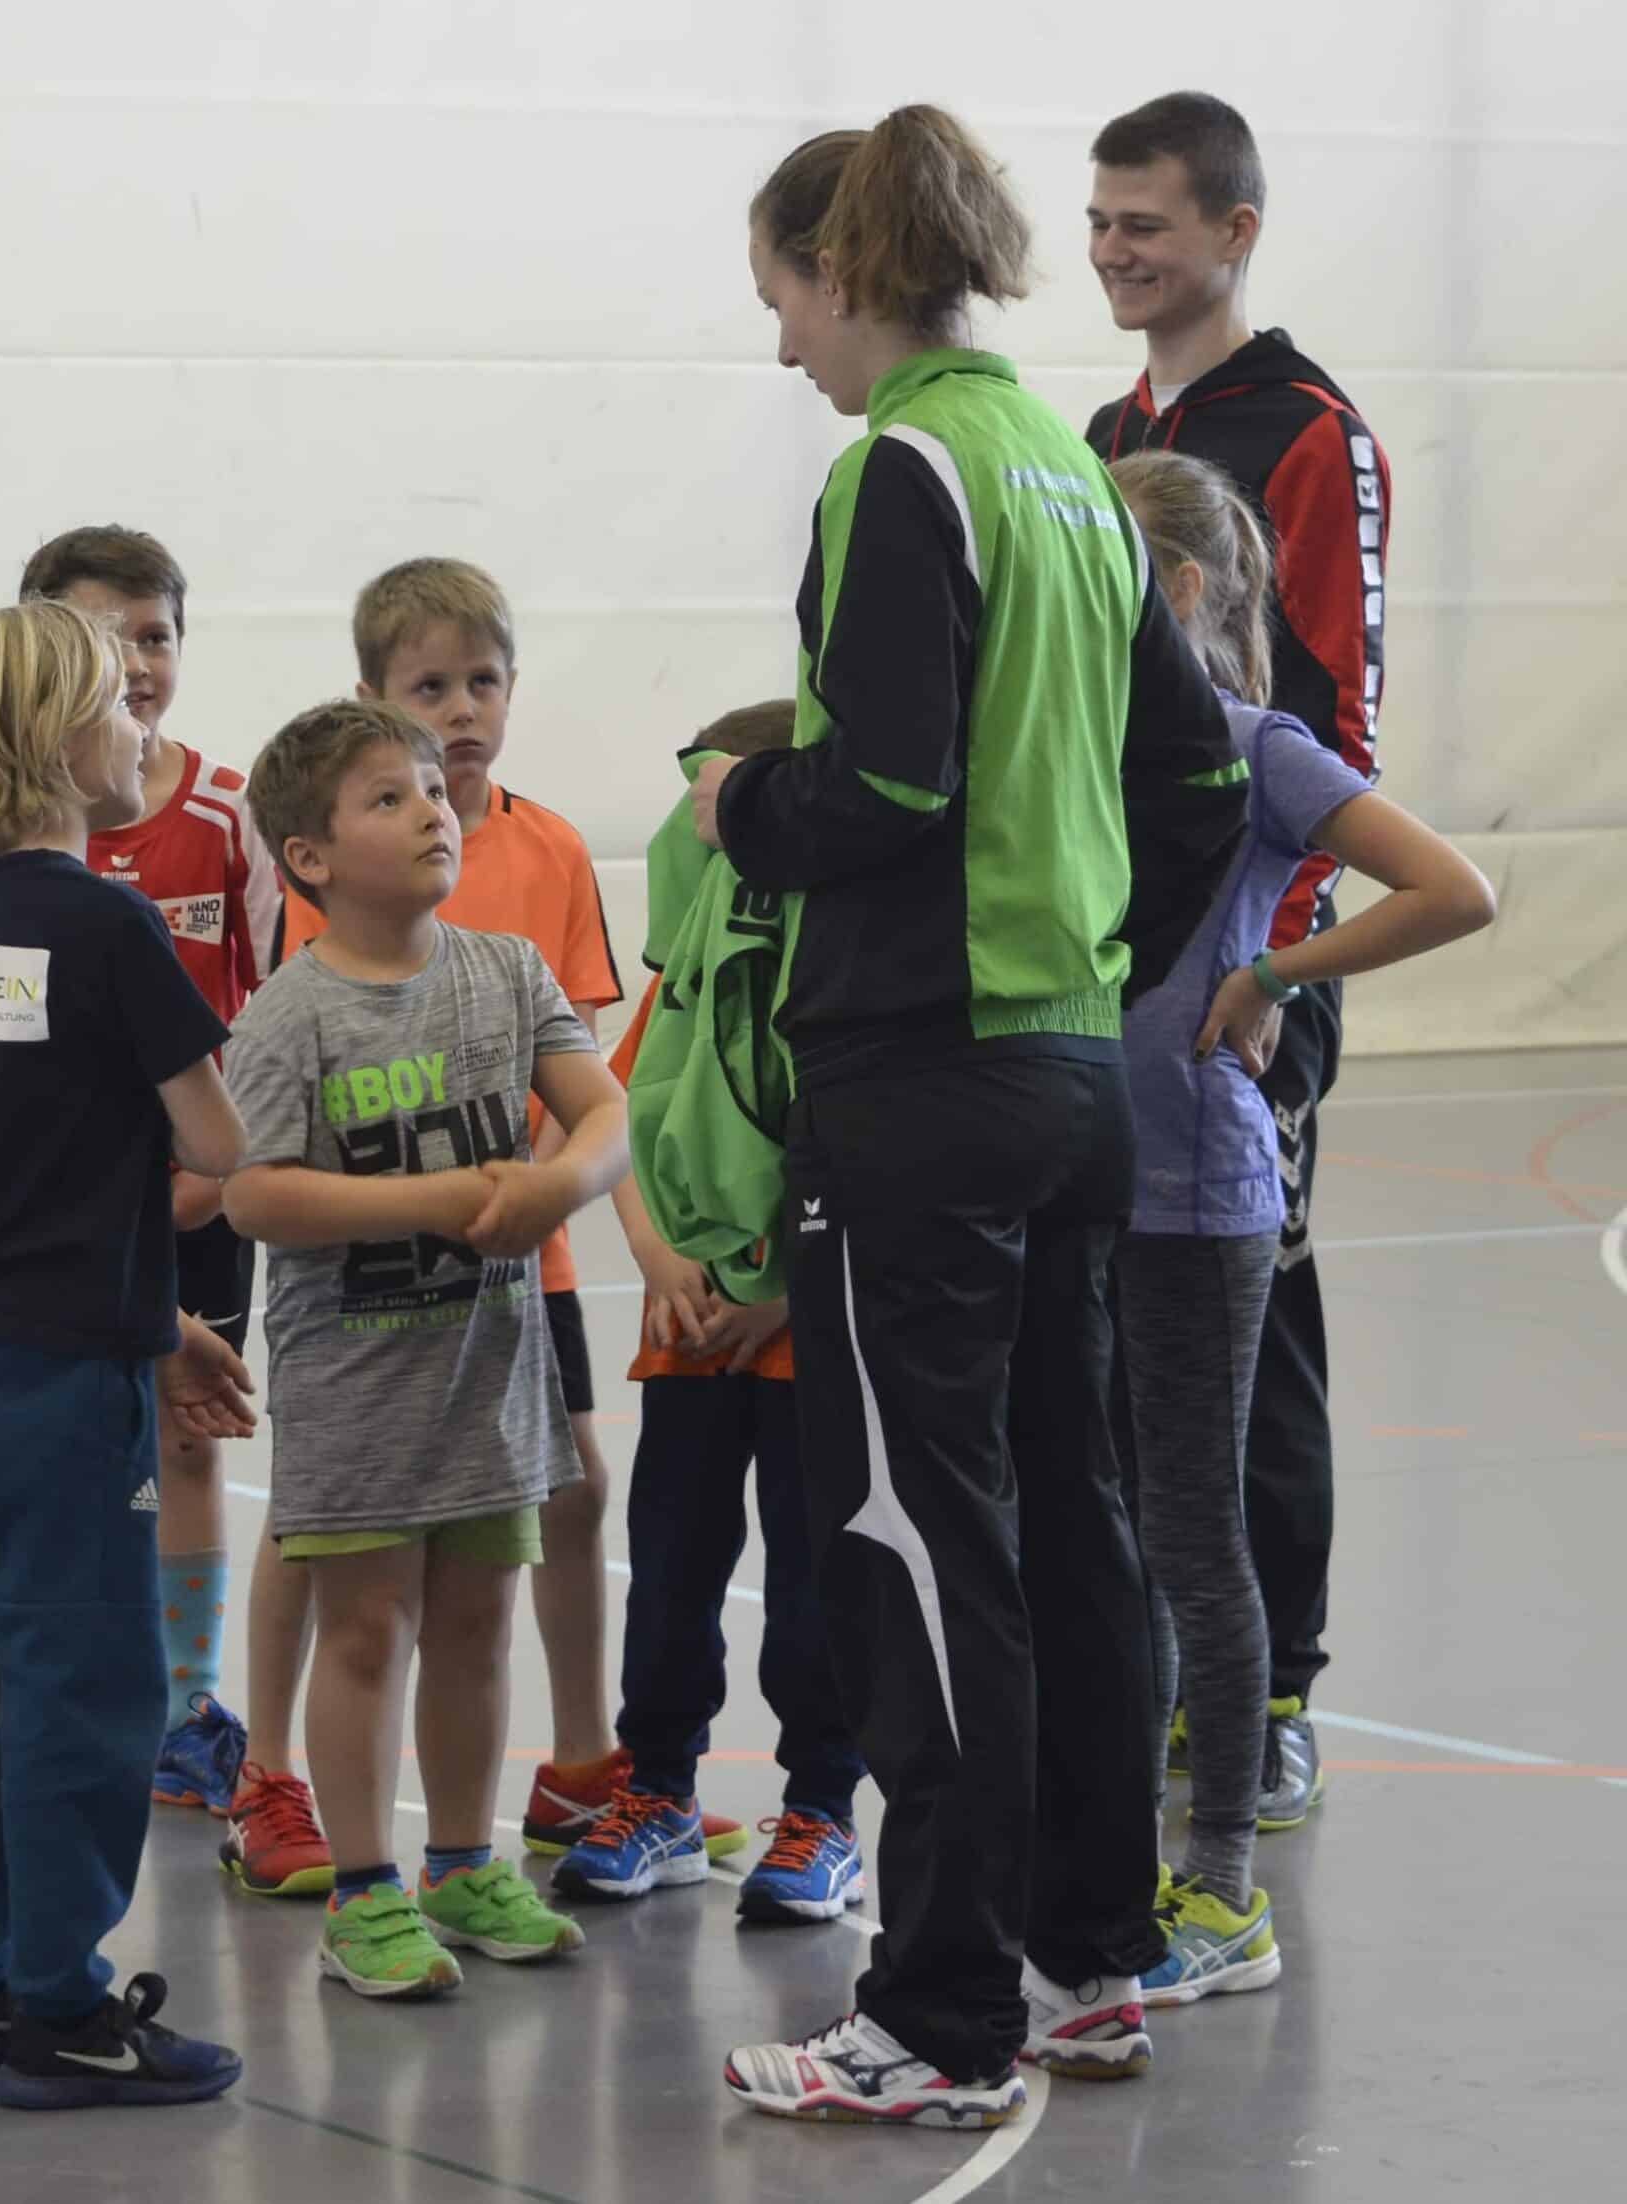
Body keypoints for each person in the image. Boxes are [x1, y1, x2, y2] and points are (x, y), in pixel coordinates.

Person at [693, 107, 1249, 2128]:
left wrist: (742, 805)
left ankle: (935, 2013)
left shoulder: (905, 467)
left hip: (921, 1089)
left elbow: (887, 789)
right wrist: (1096, 970)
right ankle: (1090, 1958)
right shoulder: (1072, 472)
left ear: (843, 269)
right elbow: (1199, 782)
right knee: (1071, 1527)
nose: (783, 347)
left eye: (781, 297)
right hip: (1067, 1080)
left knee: (917, 1539)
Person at [278, 558, 746, 1868]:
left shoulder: (548, 850)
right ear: (373, 695)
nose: (461, 710)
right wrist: (419, 1200)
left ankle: (583, 1761)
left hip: (517, 1253)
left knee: (571, 1489)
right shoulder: (344, 855)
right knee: (342, 1532)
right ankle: (278, 1767)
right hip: (376, 1280)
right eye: (429, 687)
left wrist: (525, 1191)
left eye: (482, 682)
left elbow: (579, 1063)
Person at [1107, 449, 1492, 2001]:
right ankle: (1119, 1872)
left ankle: (1222, 1894)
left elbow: (1451, 888)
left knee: (1196, 1541)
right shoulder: (1088, 740)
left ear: (1182, 588)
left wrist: (1273, 974)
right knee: (1120, 1540)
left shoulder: (1257, 747)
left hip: (1202, 1198)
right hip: (1089, 1189)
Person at [0, 599, 251, 2109]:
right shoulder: (107, 923)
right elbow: (216, 1141)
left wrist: (157, 1314)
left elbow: (8, 1164)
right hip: (57, 1374)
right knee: (90, 1683)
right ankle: (64, 2008)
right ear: (50, 740)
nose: (139, 723)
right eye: (115, 698)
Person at [224, 697, 630, 2000]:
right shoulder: (289, 1015)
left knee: (476, 1627)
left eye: (431, 791)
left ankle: (461, 1863)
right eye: (387, 798)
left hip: (490, 1380)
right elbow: (254, 1193)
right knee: (364, 1632)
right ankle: (364, 1888)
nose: (431, 812)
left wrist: (561, 1185)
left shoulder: (506, 972)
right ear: (310, 857)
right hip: (356, 1389)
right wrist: (438, 1199)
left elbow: (604, 1110)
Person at [1087, 92, 1393, 1822]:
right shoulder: (1103, 432)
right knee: (1125, 1334)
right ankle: (1161, 1671)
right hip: (1113, 970)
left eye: (1147, 223)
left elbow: (1331, 716)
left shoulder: (1311, 430)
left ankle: (1273, 1691)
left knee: (1252, 1327)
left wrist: (1268, 968)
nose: (1116, 252)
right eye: (1101, 223)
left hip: (1248, 963)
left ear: (1235, 230)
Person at [553, 702, 868, 1924]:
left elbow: (878, 1167)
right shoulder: (692, 973)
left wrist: (782, 1294)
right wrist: (657, 1255)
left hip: (804, 1334)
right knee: (672, 1572)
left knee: (813, 1584)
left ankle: (821, 1809)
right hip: (687, 1332)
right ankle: (659, 1792)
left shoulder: (849, 968)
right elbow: (621, 1114)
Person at [14, 524, 287, 1831]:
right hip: (66, 1217)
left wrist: (218, 1174)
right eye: (100, 637)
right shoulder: (15, 839)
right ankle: (76, 1693)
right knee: (71, 1443)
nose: (134, 662)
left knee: (189, 1436)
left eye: (156, 635)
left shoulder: (230, 814)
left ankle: (185, 1705)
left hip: (199, 1197)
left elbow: (278, 1004)